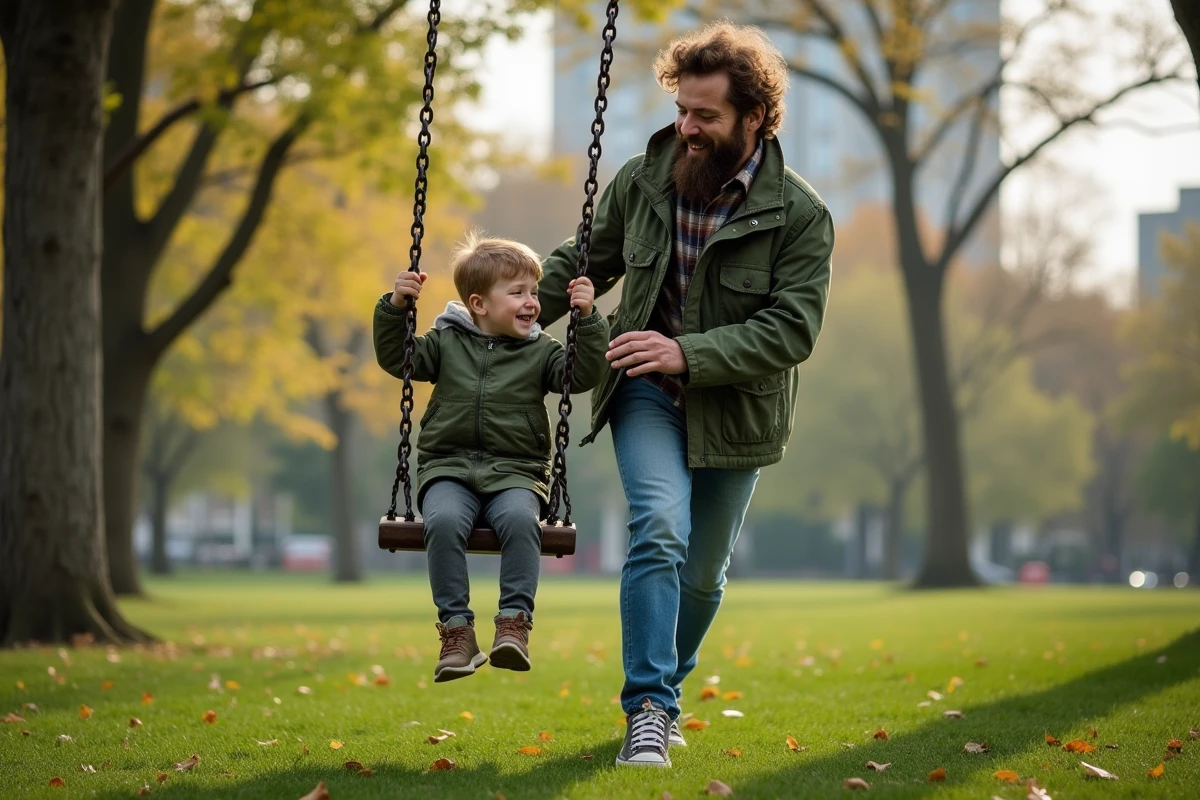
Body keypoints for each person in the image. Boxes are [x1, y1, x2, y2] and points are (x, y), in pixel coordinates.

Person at [538, 22, 834, 767]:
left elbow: (792, 330)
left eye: (705, 115)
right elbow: (585, 261)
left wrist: (689, 352)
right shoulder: (645, 177)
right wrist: (491, 303)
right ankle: (648, 707)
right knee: (659, 529)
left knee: (704, 573)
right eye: (682, 109)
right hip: (641, 387)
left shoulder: (801, 215)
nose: (687, 127)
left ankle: (666, 685)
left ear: (755, 119)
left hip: (737, 409)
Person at [374, 232, 609, 683]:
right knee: (441, 523)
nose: (532, 302)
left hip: (517, 473)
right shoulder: (444, 343)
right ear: (479, 304)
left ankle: (514, 625)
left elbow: (580, 376)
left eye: (534, 292)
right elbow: (399, 358)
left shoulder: (543, 353)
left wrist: (588, 317)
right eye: (517, 292)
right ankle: (458, 633)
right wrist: (395, 308)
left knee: (523, 522)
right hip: (449, 469)